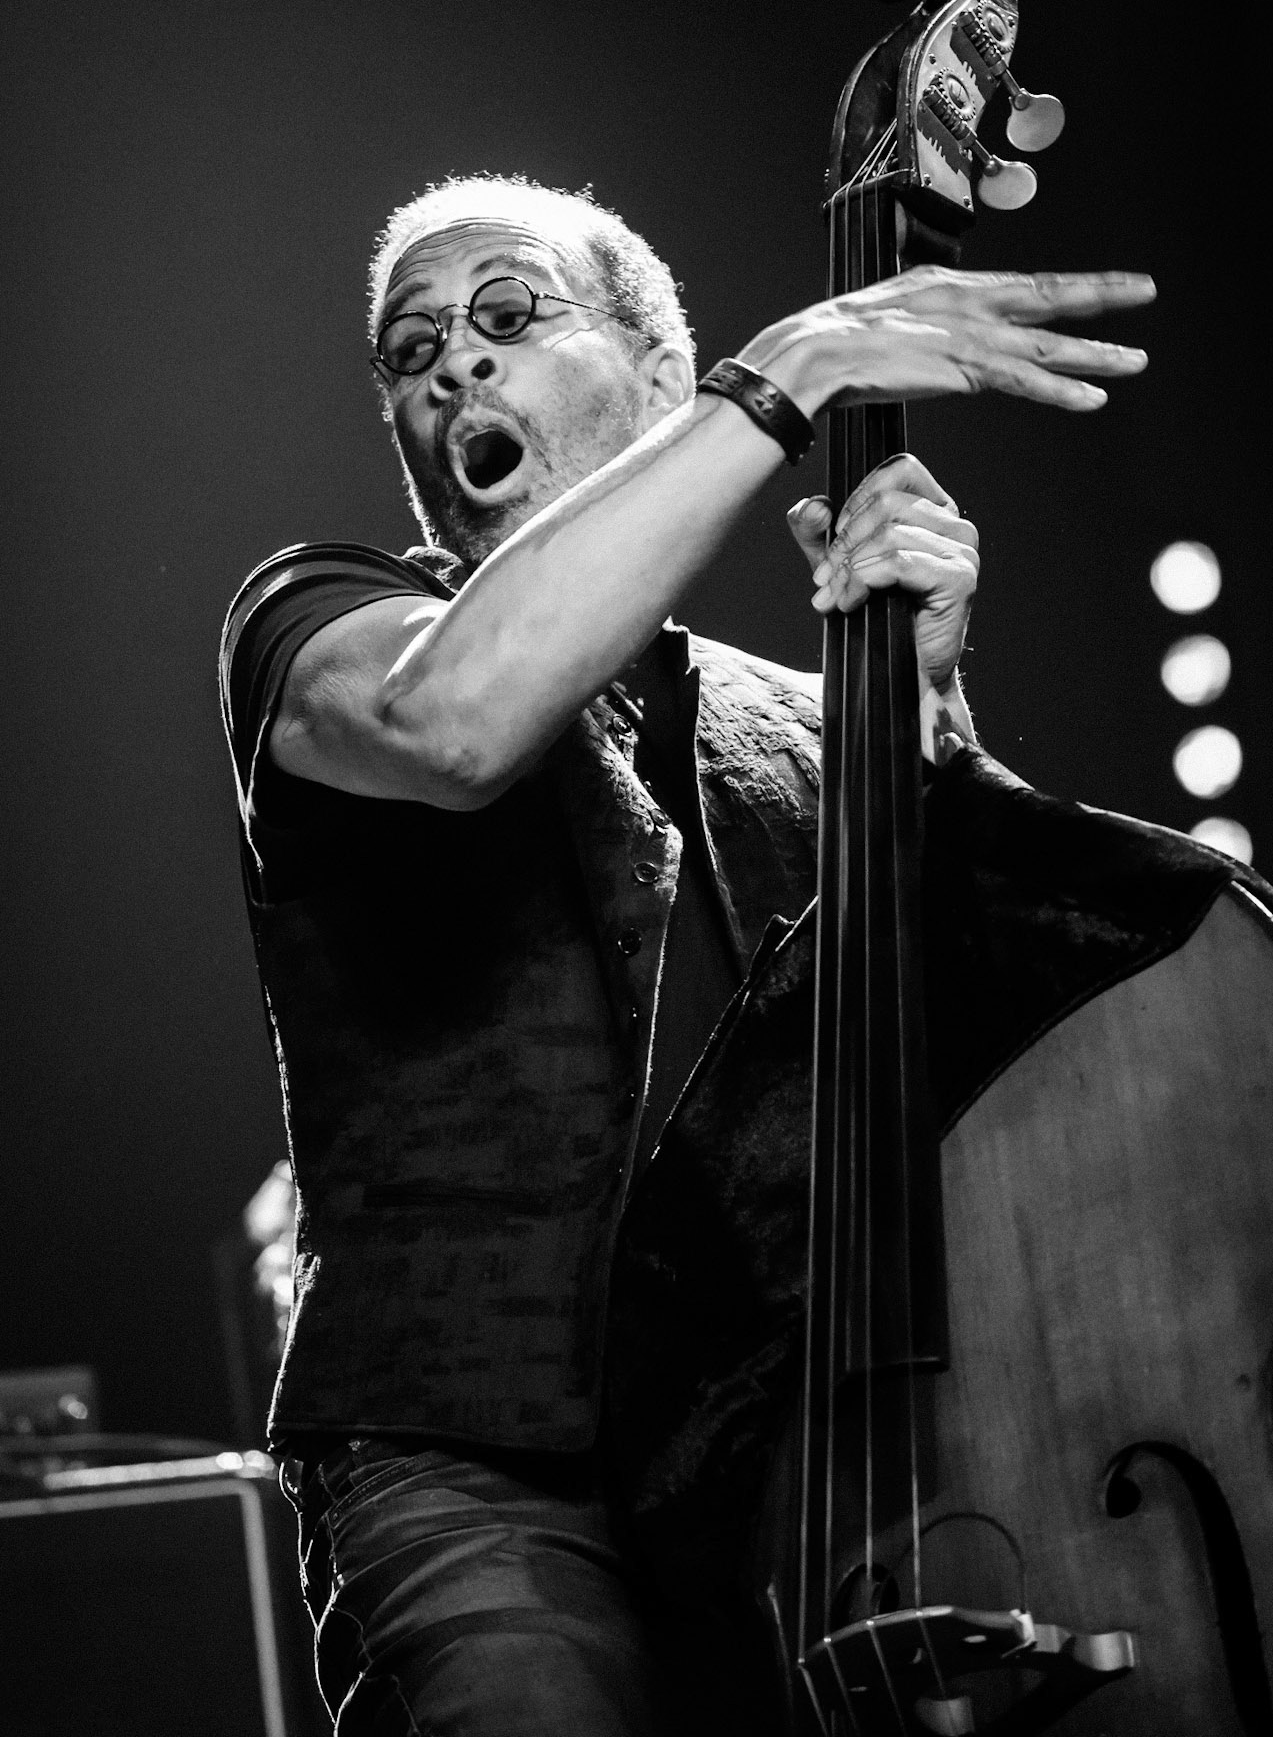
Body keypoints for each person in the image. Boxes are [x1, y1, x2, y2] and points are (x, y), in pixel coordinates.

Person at [219, 174, 1151, 1735]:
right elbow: (454, 722)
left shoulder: (804, 721)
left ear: (657, 373)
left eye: (508, 314)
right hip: (481, 1468)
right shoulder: (322, 622)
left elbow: (1003, 1034)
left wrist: (926, 707)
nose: (453, 363)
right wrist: (795, 365)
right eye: (412, 350)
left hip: (791, 1458)